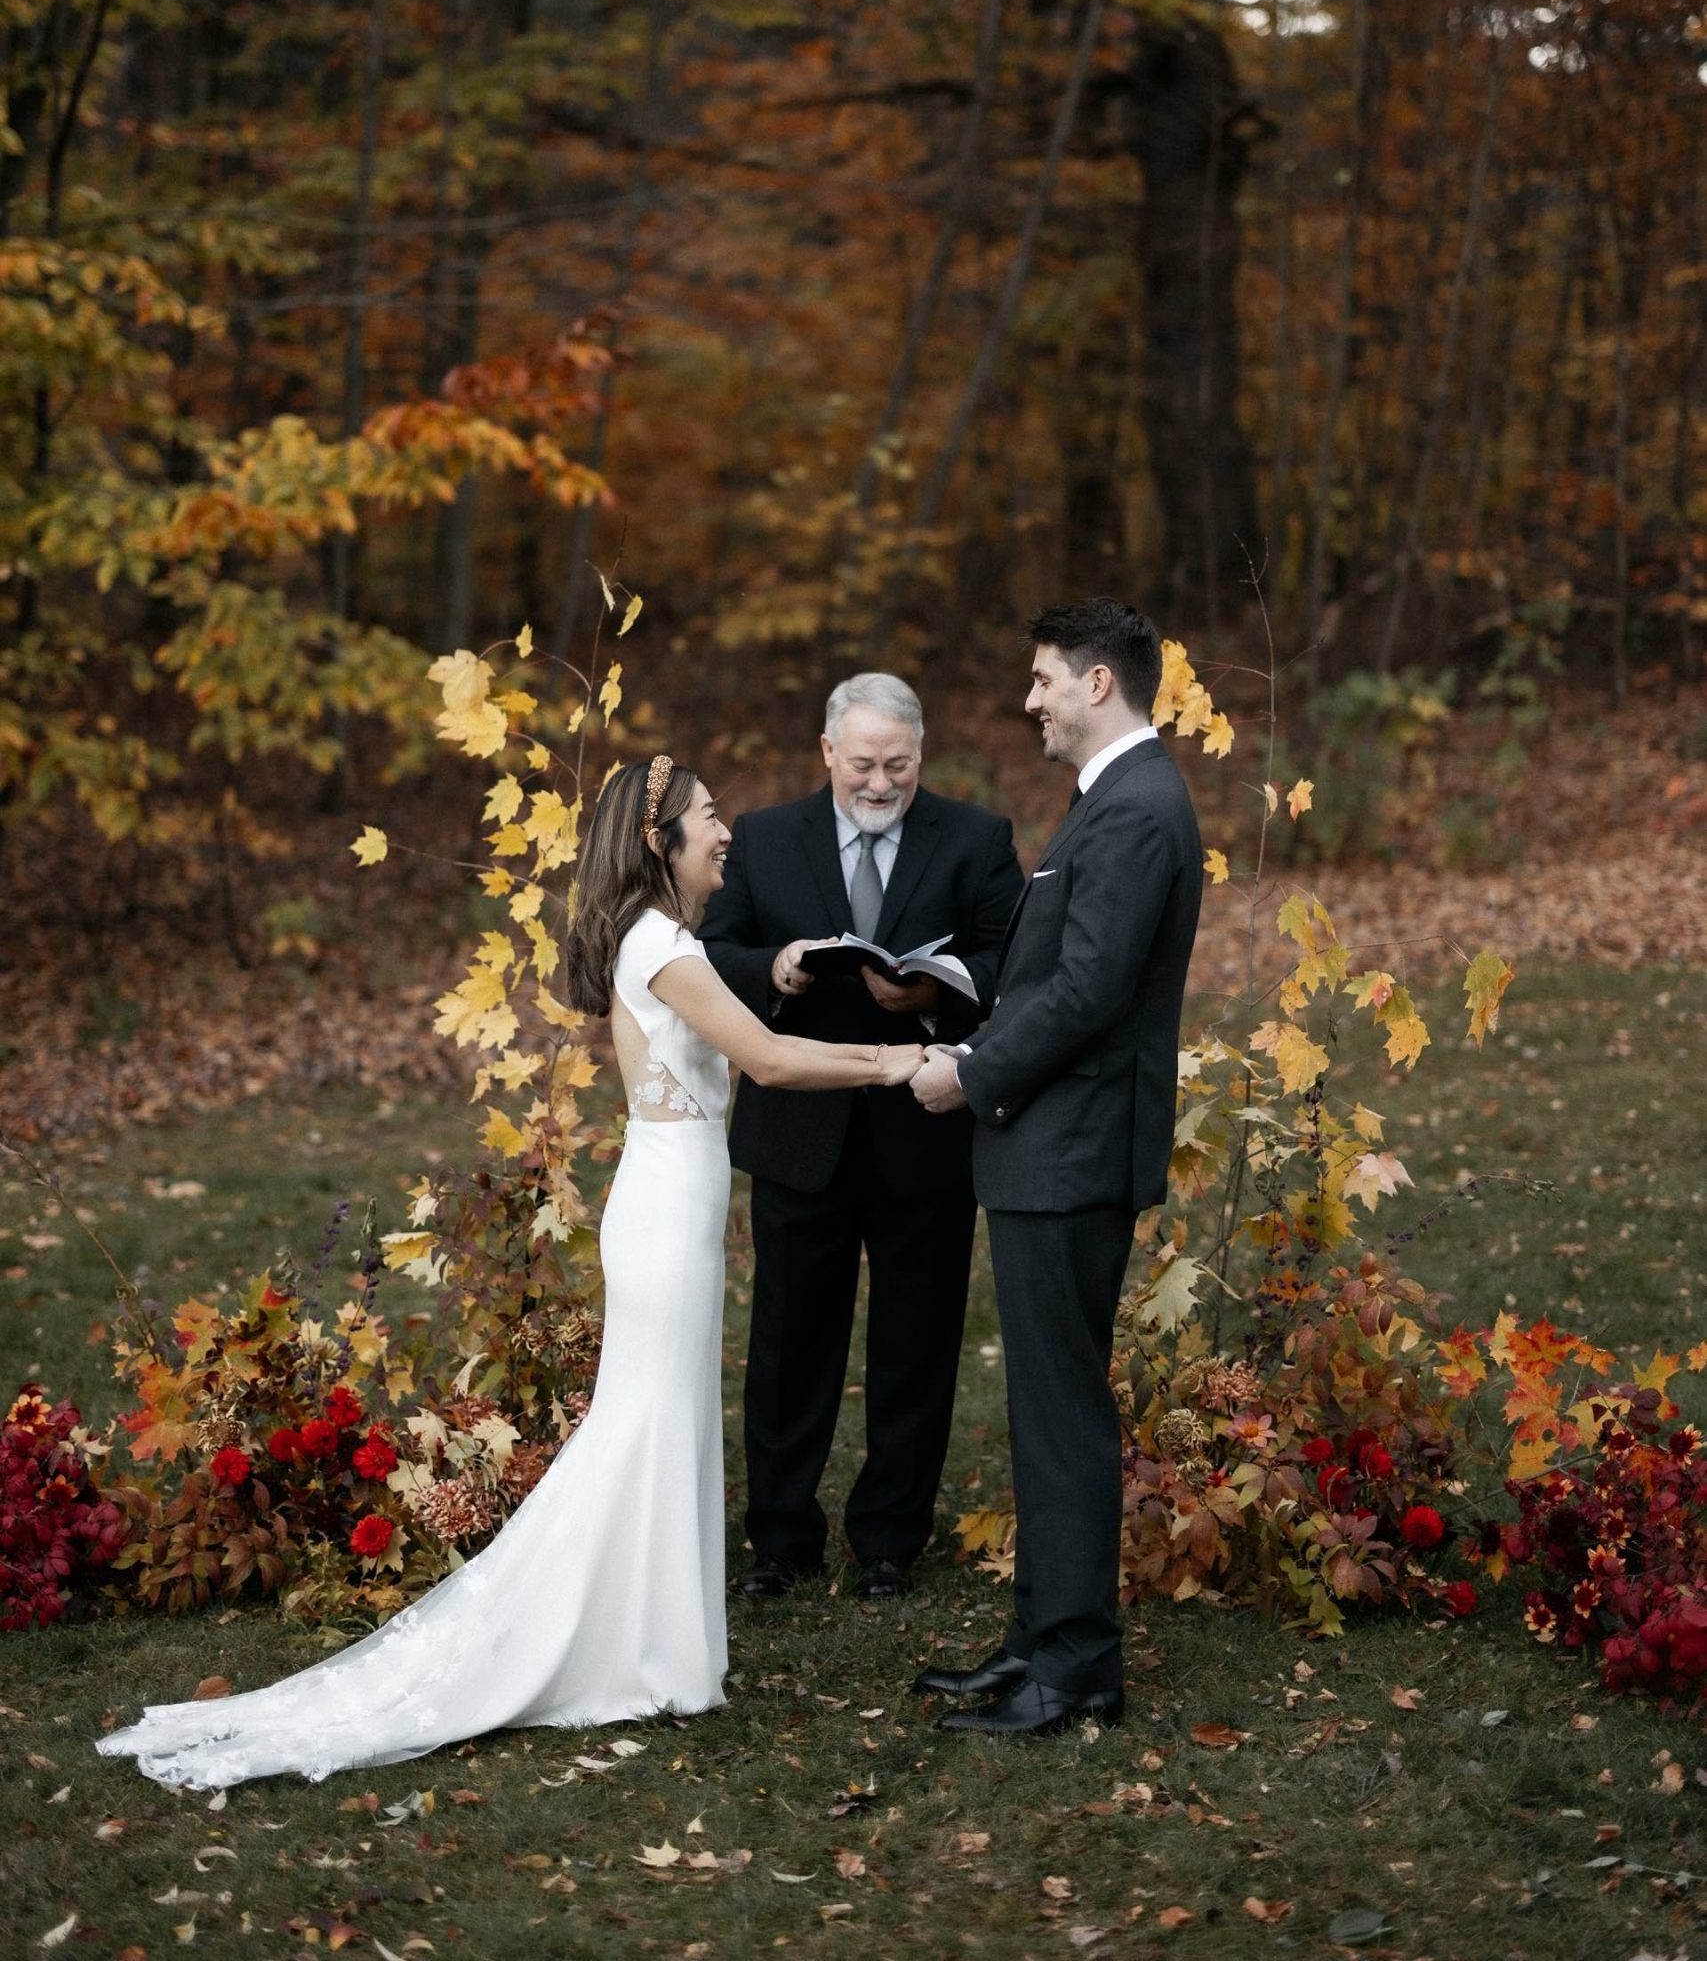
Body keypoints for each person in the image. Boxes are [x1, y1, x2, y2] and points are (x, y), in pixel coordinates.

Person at [96, 756, 923, 1789]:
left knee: (660, 1422)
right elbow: (766, 1057)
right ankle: (636, 1653)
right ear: (659, 839)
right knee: (645, 1425)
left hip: (673, 1205)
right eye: (710, 817)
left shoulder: (668, 941)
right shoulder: (664, 942)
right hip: (664, 1213)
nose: (728, 830)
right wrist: (895, 1063)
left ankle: (659, 1649)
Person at [909, 599, 1202, 1735]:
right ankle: (1040, 1636)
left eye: (1040, 679)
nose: (1027, 699)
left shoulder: (1134, 809)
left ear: (1096, 684)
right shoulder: (1113, 801)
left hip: (1069, 1151)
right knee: (1044, 1405)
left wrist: (969, 1075)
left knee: (1064, 1409)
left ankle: (1075, 1667)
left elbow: (1088, 993)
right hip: (1055, 1146)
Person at [701, 674, 1022, 1601]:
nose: (880, 784)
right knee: (789, 1340)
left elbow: (1014, 961)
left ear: (921, 755)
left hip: (923, 1129)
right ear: (827, 754)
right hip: (800, 1132)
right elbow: (712, 954)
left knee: (916, 1343)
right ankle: (779, 1537)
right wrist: (779, 967)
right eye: (864, 765)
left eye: (899, 766)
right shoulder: (764, 838)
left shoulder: (975, 838)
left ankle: (889, 1538)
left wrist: (935, 989)